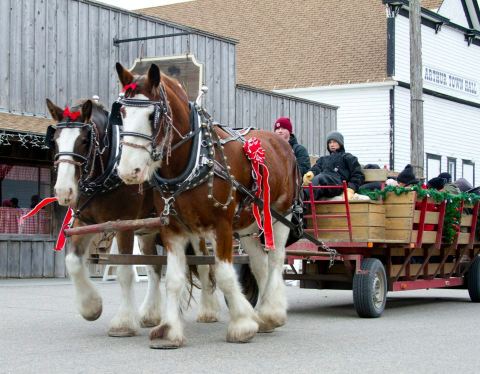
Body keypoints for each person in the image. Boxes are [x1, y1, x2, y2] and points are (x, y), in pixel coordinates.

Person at [302, 131, 364, 200]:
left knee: (320, 178)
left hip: (338, 184)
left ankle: (301, 201)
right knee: (313, 188)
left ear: (340, 143)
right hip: (324, 185)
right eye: (330, 142)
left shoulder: (348, 157)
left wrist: (350, 189)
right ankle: (303, 206)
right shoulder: (323, 159)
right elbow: (317, 168)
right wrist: (311, 173)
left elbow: (357, 175)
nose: (332, 144)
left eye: (334, 142)